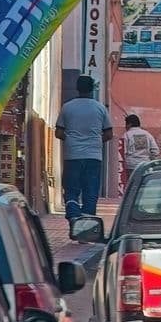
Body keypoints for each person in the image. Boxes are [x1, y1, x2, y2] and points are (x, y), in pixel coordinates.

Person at [55, 74, 112, 221]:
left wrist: (72, 139)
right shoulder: (100, 108)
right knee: (91, 192)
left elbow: (59, 132)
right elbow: (109, 134)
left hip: (72, 156)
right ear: (92, 89)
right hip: (94, 157)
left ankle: (73, 216)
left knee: (71, 190)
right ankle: (87, 225)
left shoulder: (67, 107)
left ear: (77, 88)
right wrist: (95, 140)